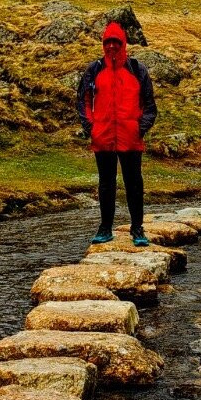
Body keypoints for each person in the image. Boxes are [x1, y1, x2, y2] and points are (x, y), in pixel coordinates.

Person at [77, 20, 157, 246]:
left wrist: (139, 129)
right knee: (106, 184)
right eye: (107, 42)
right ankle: (105, 228)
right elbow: (82, 101)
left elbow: (150, 106)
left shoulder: (137, 70)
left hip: (130, 138)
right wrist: (91, 128)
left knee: (134, 184)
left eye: (116, 42)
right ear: (103, 44)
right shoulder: (94, 70)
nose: (111, 46)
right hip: (103, 137)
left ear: (123, 44)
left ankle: (137, 228)